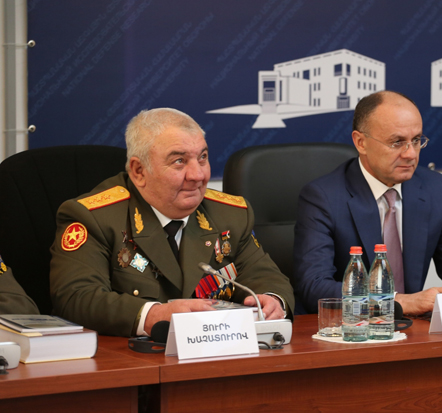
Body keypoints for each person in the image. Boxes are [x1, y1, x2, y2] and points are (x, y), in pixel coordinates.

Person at [50, 108, 293, 337]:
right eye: (179, 161)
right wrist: (153, 316)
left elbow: (266, 276)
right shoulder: (94, 217)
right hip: (132, 357)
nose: (198, 175)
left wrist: (273, 300)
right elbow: (76, 297)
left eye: (202, 157)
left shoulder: (230, 213)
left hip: (214, 350)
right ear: (139, 171)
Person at [294, 90, 442, 315]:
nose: (410, 154)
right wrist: (400, 302)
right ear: (361, 142)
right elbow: (315, 286)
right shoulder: (323, 197)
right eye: (397, 142)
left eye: (416, 140)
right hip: (351, 327)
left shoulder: (435, 188)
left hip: (412, 328)